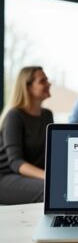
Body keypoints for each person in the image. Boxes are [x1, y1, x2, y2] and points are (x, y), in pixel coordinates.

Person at [0, 66, 53, 204]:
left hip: (31, 176)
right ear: (28, 87)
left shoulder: (47, 115)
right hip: (6, 176)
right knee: (50, 190)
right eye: (42, 81)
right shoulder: (14, 116)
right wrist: (49, 176)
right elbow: (16, 162)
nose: (49, 83)